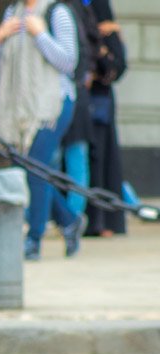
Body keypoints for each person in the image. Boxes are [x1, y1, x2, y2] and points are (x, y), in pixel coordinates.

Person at [0, 0, 84, 260]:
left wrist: (41, 34)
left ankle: (34, 238)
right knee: (29, 168)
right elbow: (3, 64)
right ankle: (69, 220)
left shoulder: (58, 12)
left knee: (35, 166)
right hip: (21, 106)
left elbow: (69, 62)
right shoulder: (12, 12)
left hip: (52, 105)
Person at [84, 0, 127, 237]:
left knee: (101, 158)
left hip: (99, 102)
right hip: (85, 99)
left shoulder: (105, 22)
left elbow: (118, 66)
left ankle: (102, 221)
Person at [56, 0, 99, 220]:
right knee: (54, 161)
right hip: (65, 93)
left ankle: (71, 216)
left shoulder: (64, 11)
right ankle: (68, 216)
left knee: (73, 157)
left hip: (72, 94)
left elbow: (73, 58)